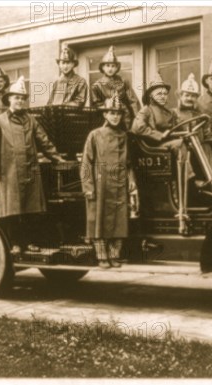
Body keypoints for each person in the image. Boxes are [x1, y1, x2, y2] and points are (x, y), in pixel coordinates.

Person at [0, 76, 66, 254]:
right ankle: (15, 243)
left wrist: (57, 158)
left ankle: (30, 242)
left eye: (22, 98)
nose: (20, 101)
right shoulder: (0, 121)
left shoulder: (31, 120)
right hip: (9, 173)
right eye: (16, 97)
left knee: (31, 210)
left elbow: (44, 141)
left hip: (30, 170)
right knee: (13, 211)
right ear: (9, 100)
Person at [81, 92, 136, 268]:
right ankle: (101, 256)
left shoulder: (124, 136)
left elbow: (128, 163)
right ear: (105, 114)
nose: (115, 116)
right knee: (99, 219)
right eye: (111, 113)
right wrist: (88, 186)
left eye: (118, 113)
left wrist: (131, 181)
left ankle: (114, 255)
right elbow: (86, 162)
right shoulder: (95, 135)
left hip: (119, 182)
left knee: (119, 220)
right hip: (100, 183)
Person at [90, 45, 141, 130]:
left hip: (124, 116)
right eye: (107, 66)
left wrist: (138, 118)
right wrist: (108, 104)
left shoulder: (123, 81)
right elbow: (96, 106)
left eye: (113, 66)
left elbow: (133, 101)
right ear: (102, 67)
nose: (110, 69)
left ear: (117, 68)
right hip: (105, 118)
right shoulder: (96, 86)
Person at [173, 73, 212, 171]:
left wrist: (211, 142)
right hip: (183, 149)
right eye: (186, 95)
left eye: (193, 96)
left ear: (196, 98)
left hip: (199, 149)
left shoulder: (200, 115)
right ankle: (191, 180)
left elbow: (207, 133)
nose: (189, 98)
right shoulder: (174, 114)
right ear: (180, 96)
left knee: (207, 147)